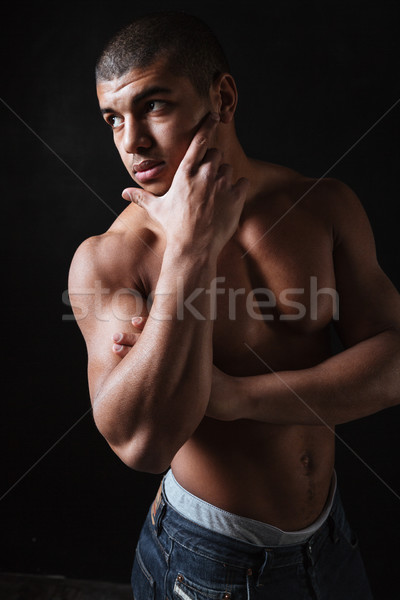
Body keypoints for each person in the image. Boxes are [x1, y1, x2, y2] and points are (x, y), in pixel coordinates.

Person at [68, 11, 400, 599]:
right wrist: (191, 252)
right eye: (113, 118)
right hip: (208, 561)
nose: (130, 141)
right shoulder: (113, 259)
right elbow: (141, 445)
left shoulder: (321, 207)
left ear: (221, 96)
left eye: (155, 106)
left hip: (330, 539)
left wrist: (235, 397)